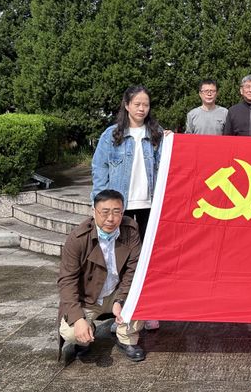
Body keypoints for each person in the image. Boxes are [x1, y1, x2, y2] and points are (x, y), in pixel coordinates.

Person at [91, 85, 163, 330]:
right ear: (127, 105)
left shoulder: (157, 134)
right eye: (137, 104)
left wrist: (173, 139)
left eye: (146, 105)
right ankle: (121, 311)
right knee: (120, 260)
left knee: (146, 259)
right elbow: (99, 169)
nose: (142, 109)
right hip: (120, 206)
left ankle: (146, 309)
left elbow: (169, 164)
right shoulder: (112, 135)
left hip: (149, 205)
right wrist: (100, 203)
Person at [57, 189, 145, 362]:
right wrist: (78, 319)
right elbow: (67, 281)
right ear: (94, 211)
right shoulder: (78, 238)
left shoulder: (130, 230)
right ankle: (85, 335)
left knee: (141, 296)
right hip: (89, 297)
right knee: (71, 331)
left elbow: (133, 269)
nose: (111, 219)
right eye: (105, 212)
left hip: (116, 292)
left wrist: (121, 299)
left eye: (117, 212)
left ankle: (126, 337)